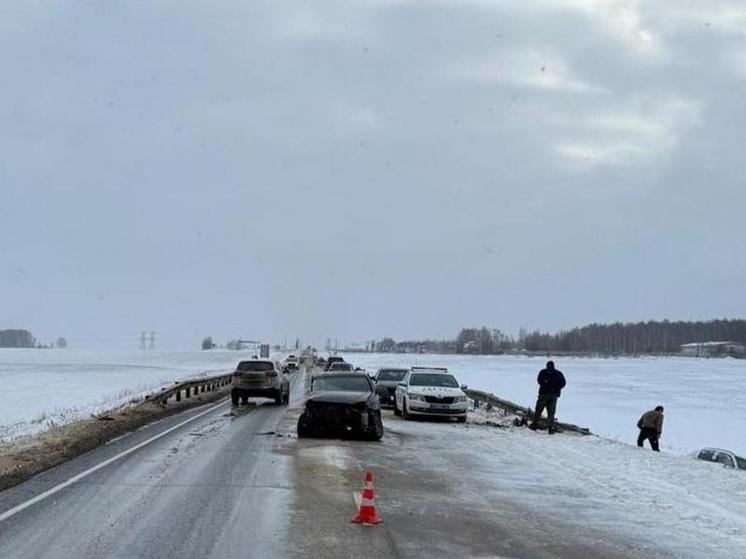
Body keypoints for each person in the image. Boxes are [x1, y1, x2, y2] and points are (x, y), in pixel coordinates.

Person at [529, 360, 566, 434]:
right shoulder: (558, 373)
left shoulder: (543, 372)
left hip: (544, 394)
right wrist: (556, 388)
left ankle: (534, 425)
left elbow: (539, 381)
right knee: (551, 413)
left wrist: (546, 385)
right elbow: (563, 383)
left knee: (538, 410)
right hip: (553, 395)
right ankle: (550, 428)